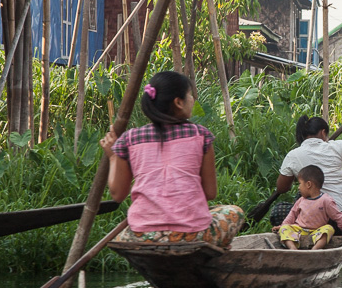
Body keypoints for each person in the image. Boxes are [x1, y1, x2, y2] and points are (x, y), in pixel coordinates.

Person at [100, 71, 245, 247]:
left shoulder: (130, 139)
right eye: (189, 95)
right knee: (234, 212)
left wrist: (113, 156)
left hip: (141, 236)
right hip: (191, 235)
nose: (192, 99)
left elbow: (118, 195)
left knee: (123, 235)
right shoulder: (201, 136)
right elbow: (210, 193)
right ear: (178, 102)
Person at [274, 101, 342, 232]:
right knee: (303, 194)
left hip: (321, 218)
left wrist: (295, 176)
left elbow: (282, 188)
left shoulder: (293, 156)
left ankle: (302, 237)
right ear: (323, 133)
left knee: (280, 211)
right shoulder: (335, 146)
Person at [275, 165, 342, 250]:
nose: (298, 187)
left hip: (317, 232)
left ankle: (315, 249)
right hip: (299, 230)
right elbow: (292, 215)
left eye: (300, 184)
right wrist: (282, 226)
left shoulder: (326, 200)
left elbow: (338, 217)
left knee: (329, 229)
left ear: (308, 184)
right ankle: (292, 248)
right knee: (284, 228)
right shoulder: (301, 200)